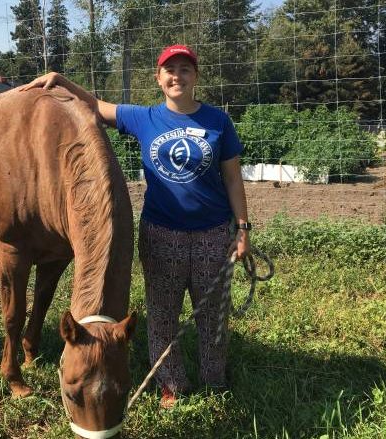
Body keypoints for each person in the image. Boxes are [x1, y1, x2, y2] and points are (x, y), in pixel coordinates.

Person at [23, 44, 251, 408]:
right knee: (161, 312)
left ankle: (214, 379)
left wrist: (242, 228)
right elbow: (96, 107)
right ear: (159, 79)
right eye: (170, 70)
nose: (177, 76)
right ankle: (171, 385)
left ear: (196, 77)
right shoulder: (144, 118)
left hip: (212, 233)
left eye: (185, 69)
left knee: (213, 314)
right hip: (161, 233)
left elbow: (233, 178)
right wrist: (62, 80)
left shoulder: (218, 122)